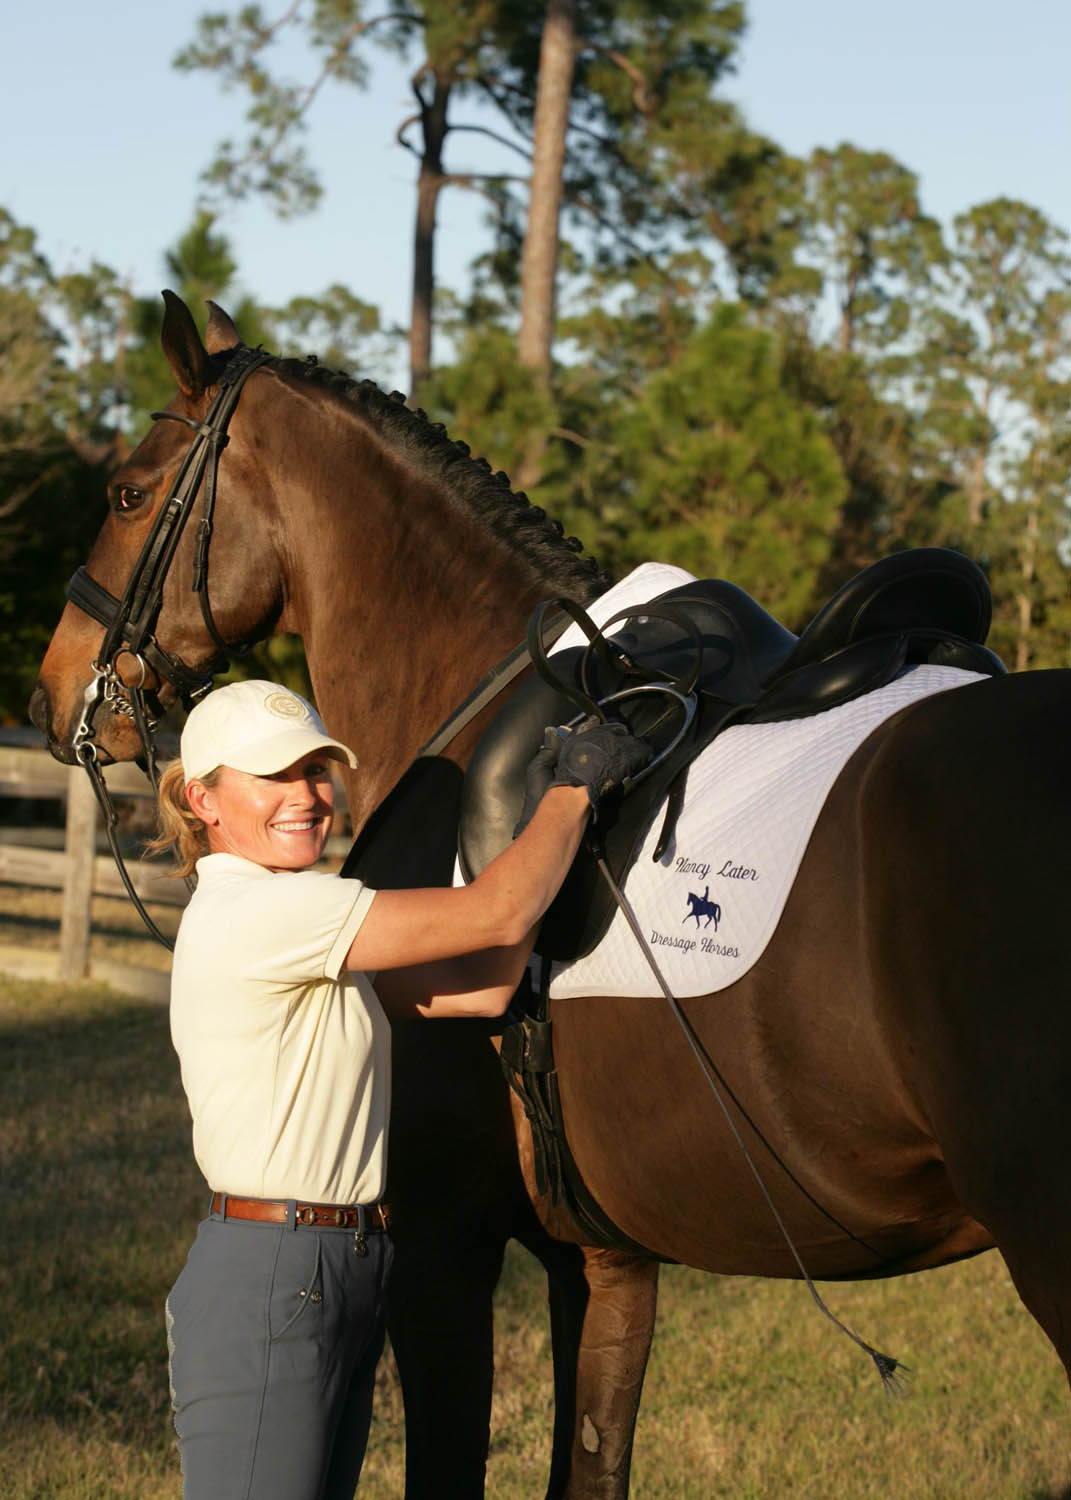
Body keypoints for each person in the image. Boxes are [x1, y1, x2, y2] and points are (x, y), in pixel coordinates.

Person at [151, 678, 651, 1500]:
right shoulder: (270, 910)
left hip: (342, 1262)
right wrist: (572, 788)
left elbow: (485, 985)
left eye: (316, 771)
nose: (306, 797)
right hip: (274, 1272)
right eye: (273, 777)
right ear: (204, 799)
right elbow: (493, 914)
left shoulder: (299, 928)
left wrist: (543, 830)